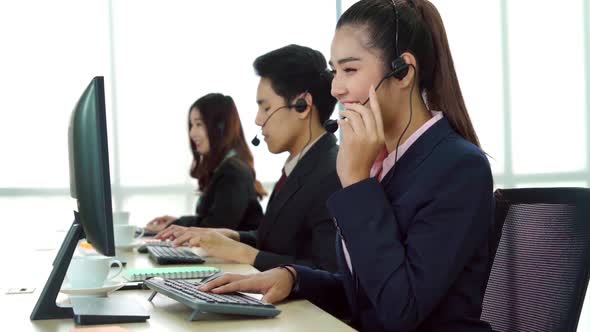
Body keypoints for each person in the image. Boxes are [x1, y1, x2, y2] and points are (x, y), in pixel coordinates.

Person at [198, 1, 495, 331]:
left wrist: (355, 182)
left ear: (404, 72)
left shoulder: (457, 168)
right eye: (334, 70)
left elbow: (401, 309)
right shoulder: (382, 162)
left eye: (350, 70)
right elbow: (368, 291)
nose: (335, 88)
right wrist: (294, 277)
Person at [157, 44, 341, 272]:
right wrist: (231, 236)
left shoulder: (333, 172)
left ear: (302, 106)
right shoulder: (300, 164)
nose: (257, 120)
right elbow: (273, 241)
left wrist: (243, 253)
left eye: (265, 108)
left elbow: (330, 272)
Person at [145, 93, 266, 233]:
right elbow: (212, 220)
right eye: (191, 125)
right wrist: (176, 223)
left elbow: (215, 229)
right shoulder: (225, 167)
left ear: (220, 128)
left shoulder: (233, 171)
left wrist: (177, 225)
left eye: (199, 124)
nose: (192, 132)